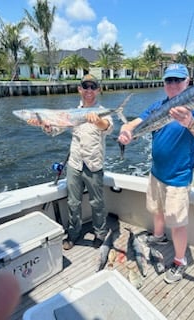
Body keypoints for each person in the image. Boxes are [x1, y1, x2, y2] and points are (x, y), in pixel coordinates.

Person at [118, 63, 194, 283]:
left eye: (177, 80)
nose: (172, 85)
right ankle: (159, 238)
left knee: (178, 223)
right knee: (157, 211)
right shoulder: (157, 106)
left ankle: (180, 262)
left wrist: (190, 123)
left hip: (178, 179)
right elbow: (137, 123)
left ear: (187, 82)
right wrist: (126, 131)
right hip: (156, 173)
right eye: (169, 80)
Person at [63, 74, 114, 250]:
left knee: (97, 203)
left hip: (94, 164)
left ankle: (100, 233)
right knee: (73, 203)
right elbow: (56, 128)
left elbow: (107, 126)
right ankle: (73, 233)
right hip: (75, 163)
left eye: (93, 87)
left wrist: (98, 121)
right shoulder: (72, 113)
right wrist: (45, 125)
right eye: (86, 86)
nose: (89, 90)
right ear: (80, 89)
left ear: (98, 90)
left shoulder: (103, 110)